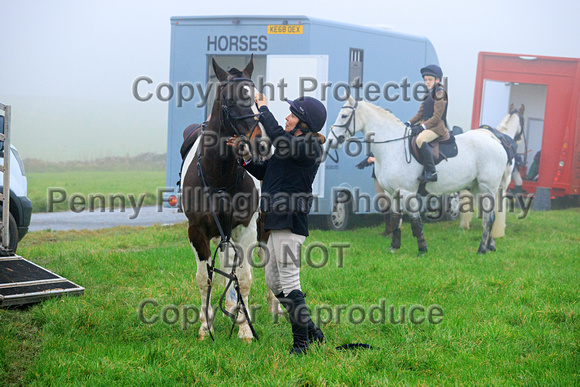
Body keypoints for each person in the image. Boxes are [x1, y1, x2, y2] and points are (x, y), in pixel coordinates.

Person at [230, 93, 327, 355]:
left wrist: (263, 109)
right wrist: (245, 157)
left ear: (304, 124)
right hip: (274, 220)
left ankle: (301, 345)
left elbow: (276, 136)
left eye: (292, 115)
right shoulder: (290, 144)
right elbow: (265, 172)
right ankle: (313, 332)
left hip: (291, 220)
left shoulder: (308, 146)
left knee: (289, 281)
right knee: (274, 281)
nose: (287, 117)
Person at [405, 64, 449, 182]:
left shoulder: (440, 94)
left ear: (437, 80)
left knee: (420, 139)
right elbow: (420, 114)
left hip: (437, 127)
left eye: (430, 80)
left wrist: (423, 127)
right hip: (427, 125)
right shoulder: (428, 93)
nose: (427, 82)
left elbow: (437, 117)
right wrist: (408, 123)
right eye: (425, 80)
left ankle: (432, 171)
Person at [355, 154, 392, 237]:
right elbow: (372, 156)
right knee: (382, 202)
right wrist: (365, 162)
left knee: (390, 201)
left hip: (388, 176)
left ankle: (394, 230)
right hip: (377, 175)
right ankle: (388, 228)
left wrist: (374, 160)